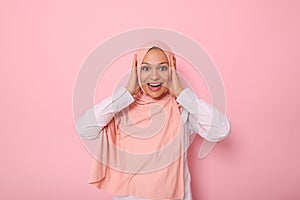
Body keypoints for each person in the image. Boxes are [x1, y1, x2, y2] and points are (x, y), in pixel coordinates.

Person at [76, 40, 231, 200]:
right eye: (145, 68)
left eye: (163, 67)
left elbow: (221, 130)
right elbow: (85, 128)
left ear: (172, 68)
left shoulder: (182, 108)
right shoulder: (121, 108)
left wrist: (181, 94)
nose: (155, 75)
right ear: (136, 71)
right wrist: (127, 93)